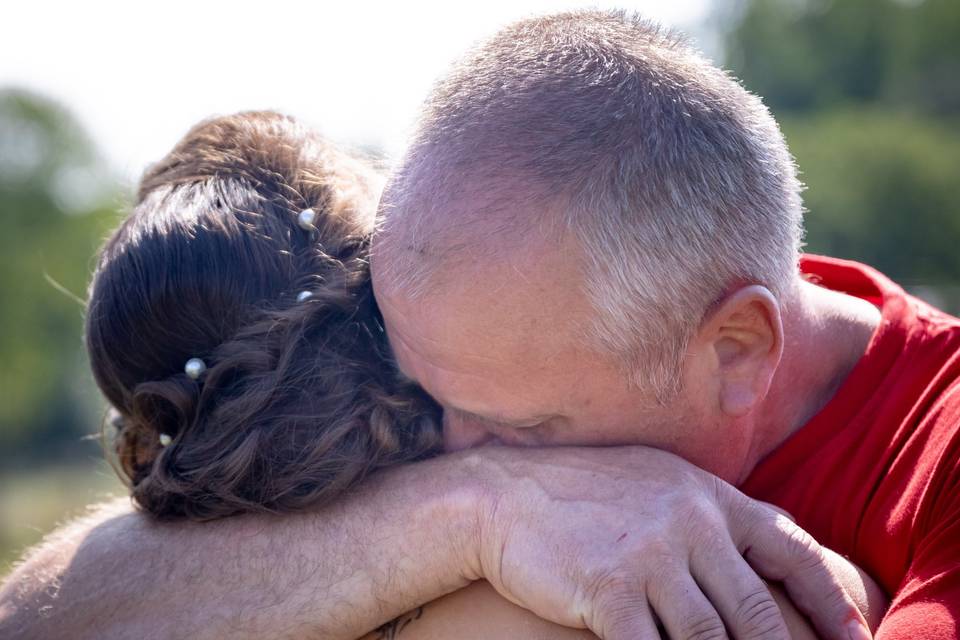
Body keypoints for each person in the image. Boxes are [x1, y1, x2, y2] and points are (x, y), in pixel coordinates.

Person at [1, 8, 952, 639]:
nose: (447, 445)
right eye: (425, 394)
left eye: (521, 430)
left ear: (736, 350)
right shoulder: (484, 366)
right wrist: (472, 516)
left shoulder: (936, 459)